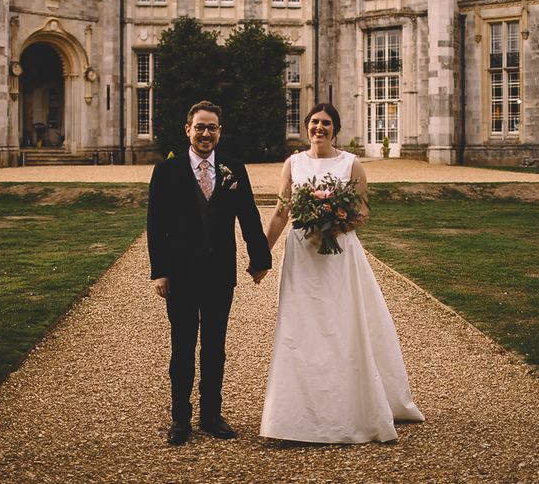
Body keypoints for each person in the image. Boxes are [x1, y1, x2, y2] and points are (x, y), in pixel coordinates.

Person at [260, 103, 424, 443]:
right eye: (315, 122)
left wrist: (334, 222)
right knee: (301, 325)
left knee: (341, 323)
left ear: (335, 129)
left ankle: (351, 405)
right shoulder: (293, 163)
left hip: (338, 255)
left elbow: (362, 213)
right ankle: (296, 413)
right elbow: (281, 211)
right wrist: (262, 254)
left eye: (326, 123)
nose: (319, 128)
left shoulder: (351, 163)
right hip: (302, 254)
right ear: (307, 127)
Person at [147, 100, 272, 446]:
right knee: (183, 348)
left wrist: (259, 258)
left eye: (212, 127)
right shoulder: (166, 171)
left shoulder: (233, 168)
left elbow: (248, 215)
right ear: (188, 129)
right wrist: (160, 271)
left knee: (215, 348)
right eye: (200, 127)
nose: (206, 133)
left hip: (220, 275)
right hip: (181, 274)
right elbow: (155, 225)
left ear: (220, 131)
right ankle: (180, 418)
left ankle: (211, 415)